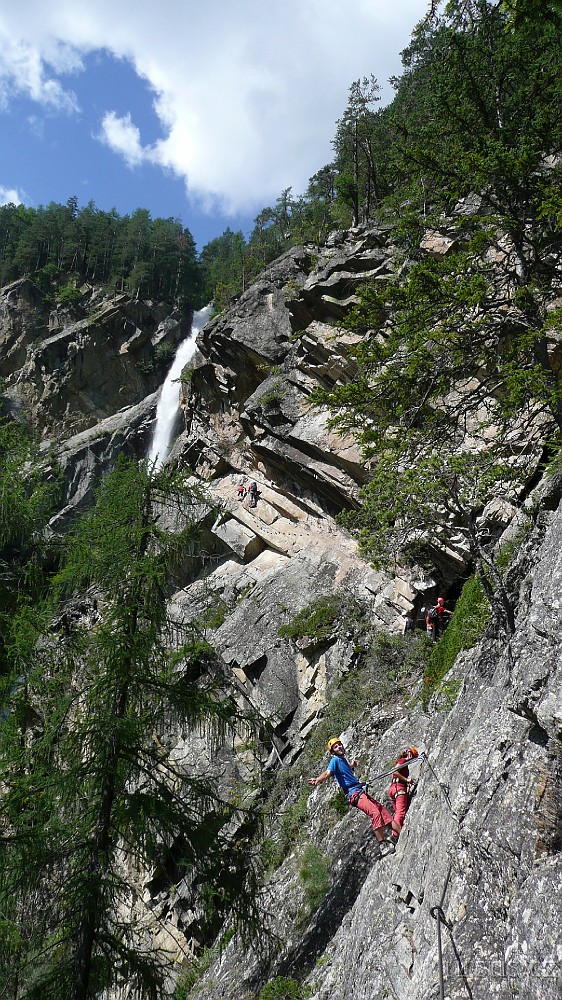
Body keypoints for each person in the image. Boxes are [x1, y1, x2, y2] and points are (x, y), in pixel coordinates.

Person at [308, 738, 395, 855]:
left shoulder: (342, 760)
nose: (339, 747)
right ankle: (382, 845)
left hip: (359, 791)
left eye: (339, 745)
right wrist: (318, 780)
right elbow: (327, 773)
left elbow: (346, 769)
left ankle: (399, 832)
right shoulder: (334, 760)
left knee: (382, 812)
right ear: (332, 752)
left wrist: (352, 765)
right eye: (335, 747)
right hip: (354, 794)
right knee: (375, 812)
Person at [388, 746, 419, 843]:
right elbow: (395, 771)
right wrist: (406, 780)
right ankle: (394, 835)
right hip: (399, 788)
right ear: (410, 754)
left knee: (397, 812)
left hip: (394, 788)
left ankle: (395, 833)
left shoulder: (401, 762)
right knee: (400, 813)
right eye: (413, 757)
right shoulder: (403, 760)